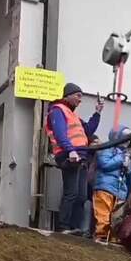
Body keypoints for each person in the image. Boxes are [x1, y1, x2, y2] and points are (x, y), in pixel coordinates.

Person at [46, 82, 102, 234]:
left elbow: (88, 130)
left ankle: (74, 227)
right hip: (69, 156)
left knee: (81, 196)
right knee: (71, 193)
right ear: (68, 95)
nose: (80, 100)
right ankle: (63, 226)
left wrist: (97, 113)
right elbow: (60, 133)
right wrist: (70, 151)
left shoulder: (73, 115)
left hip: (80, 157)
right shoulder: (57, 110)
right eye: (78, 96)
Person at [91, 126, 131, 243]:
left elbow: (130, 178)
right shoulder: (106, 148)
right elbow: (104, 164)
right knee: (103, 215)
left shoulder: (128, 154)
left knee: (116, 218)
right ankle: (101, 236)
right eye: (125, 137)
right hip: (105, 187)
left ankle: (113, 239)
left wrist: (128, 168)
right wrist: (121, 158)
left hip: (120, 191)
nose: (127, 140)